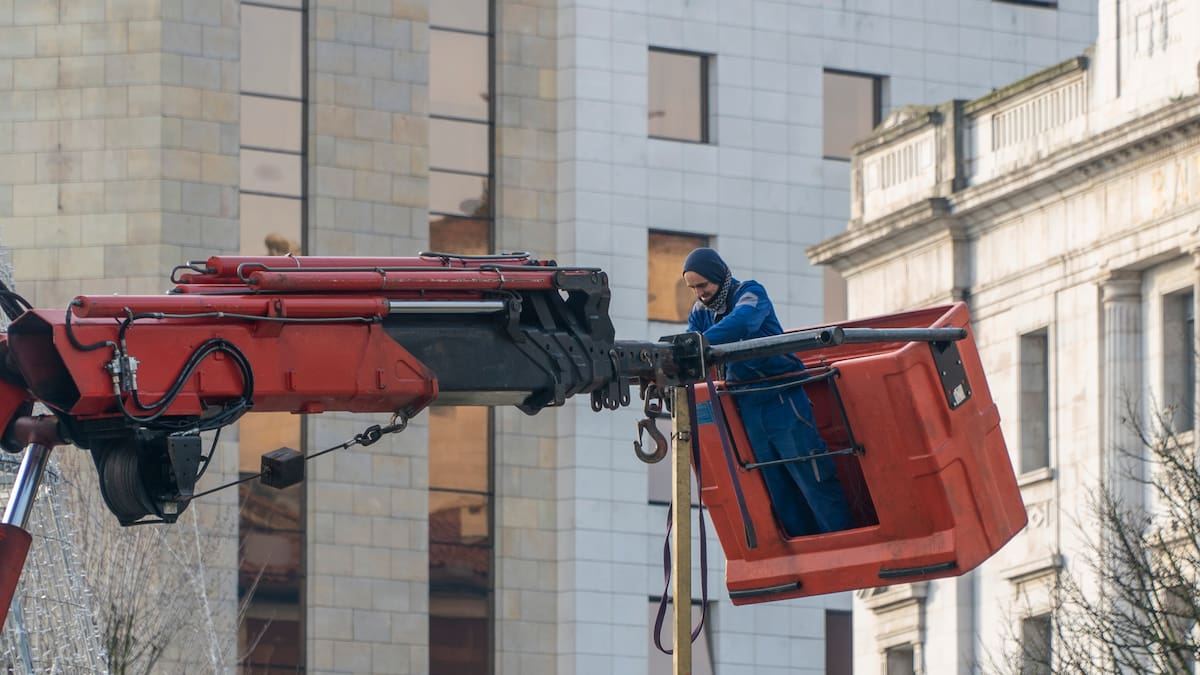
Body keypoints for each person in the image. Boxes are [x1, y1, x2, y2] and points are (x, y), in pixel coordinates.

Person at [682, 247, 853, 537]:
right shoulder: (701, 313)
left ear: (718, 277)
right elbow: (691, 340)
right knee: (776, 484)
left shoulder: (750, 293)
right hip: (748, 404)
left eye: (703, 285)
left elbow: (742, 322)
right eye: (693, 288)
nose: (699, 293)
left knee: (811, 474)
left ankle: (841, 538)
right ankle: (803, 546)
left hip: (782, 397)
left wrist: (697, 345)